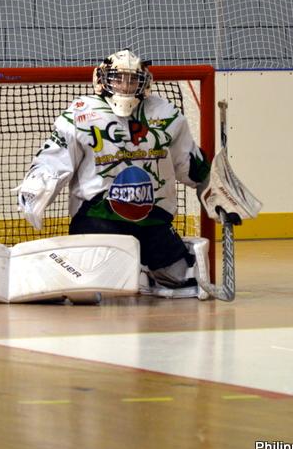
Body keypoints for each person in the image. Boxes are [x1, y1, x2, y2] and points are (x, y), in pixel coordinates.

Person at [14, 49, 249, 297]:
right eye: (118, 78)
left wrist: (218, 191)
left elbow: (189, 165)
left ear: (144, 82)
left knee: (180, 280)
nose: (125, 85)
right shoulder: (81, 114)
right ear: (102, 79)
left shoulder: (166, 115)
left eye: (133, 79)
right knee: (93, 288)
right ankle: (126, 270)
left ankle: (150, 267)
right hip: (98, 216)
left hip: (153, 218)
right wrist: (36, 189)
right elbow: (54, 158)